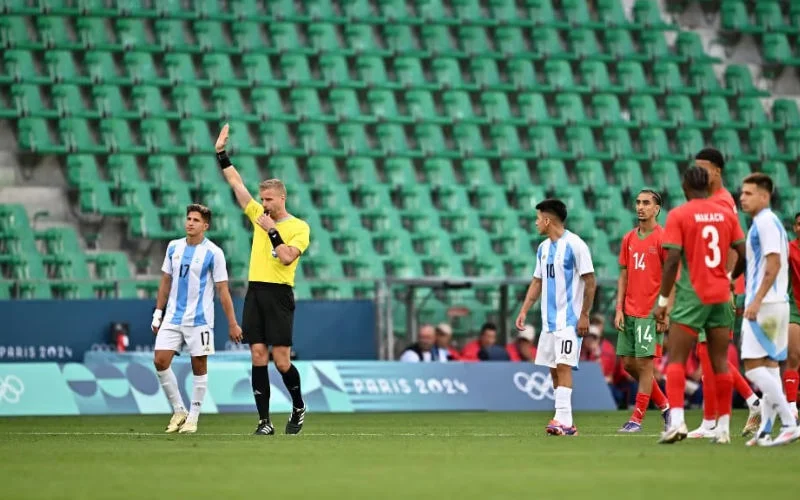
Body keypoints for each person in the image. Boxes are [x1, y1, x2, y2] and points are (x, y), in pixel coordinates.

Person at [215, 125, 311, 436]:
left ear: (282, 197)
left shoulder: (299, 227)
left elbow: (285, 256)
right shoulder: (258, 213)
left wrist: (271, 230)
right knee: (257, 354)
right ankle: (264, 422)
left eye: (269, 198)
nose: (264, 204)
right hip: (256, 291)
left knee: (281, 359)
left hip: (280, 294)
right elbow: (236, 184)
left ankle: (298, 405)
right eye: (262, 199)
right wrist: (221, 154)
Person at [654, 167, 747, 444]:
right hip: (721, 295)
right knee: (720, 362)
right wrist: (730, 278)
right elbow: (743, 253)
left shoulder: (679, 214)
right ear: (708, 186)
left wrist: (662, 301)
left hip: (692, 296)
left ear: (685, 187)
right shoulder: (726, 214)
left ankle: (678, 423)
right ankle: (724, 429)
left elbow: (671, 261)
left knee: (678, 360)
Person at [151, 204, 242, 434]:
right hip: (172, 316)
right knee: (160, 361)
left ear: (205, 225)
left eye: (196, 220)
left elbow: (222, 290)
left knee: (199, 366)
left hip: (199, 319)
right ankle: (179, 409)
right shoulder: (173, 247)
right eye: (188, 218)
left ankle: (193, 417)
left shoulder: (214, 253)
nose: (190, 223)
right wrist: (158, 312)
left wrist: (232, 323)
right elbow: (165, 282)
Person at [691, 148, 762, 439]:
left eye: (704, 168)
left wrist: (731, 282)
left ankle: (735, 411)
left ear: (717, 170)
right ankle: (715, 418)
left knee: (713, 352)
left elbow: (734, 246)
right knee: (705, 352)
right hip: (707, 284)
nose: (699, 174)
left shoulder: (721, 202)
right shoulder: (710, 200)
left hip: (720, 286)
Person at [515, 199, 596, 436]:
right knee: (553, 369)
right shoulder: (543, 248)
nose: (536, 223)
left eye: (538, 218)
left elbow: (590, 282)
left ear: (548, 220)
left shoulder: (576, 245)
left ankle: (560, 419)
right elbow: (537, 281)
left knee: (563, 366)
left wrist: (584, 315)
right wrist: (524, 310)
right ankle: (566, 423)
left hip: (569, 320)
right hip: (548, 322)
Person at [738, 173, 800, 446]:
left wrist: (756, 300)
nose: (742, 197)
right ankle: (766, 428)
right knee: (770, 365)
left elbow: (773, 265)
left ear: (765, 196)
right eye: (742, 192)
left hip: (766, 305)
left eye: (749, 193)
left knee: (752, 367)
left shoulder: (764, 223)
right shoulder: (766, 222)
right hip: (775, 304)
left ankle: (789, 421)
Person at [614, 189, 671, 432]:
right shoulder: (628, 238)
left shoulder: (663, 238)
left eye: (646, 203)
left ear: (657, 208)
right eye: (638, 202)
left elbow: (672, 276)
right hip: (629, 310)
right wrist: (619, 308)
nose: (640, 207)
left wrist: (665, 311)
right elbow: (623, 275)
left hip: (650, 310)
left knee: (645, 365)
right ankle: (667, 407)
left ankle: (636, 418)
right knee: (628, 364)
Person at [783, 212, 800, 420]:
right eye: (798, 224)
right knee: (793, 356)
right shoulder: (788, 249)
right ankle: (791, 407)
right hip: (794, 308)